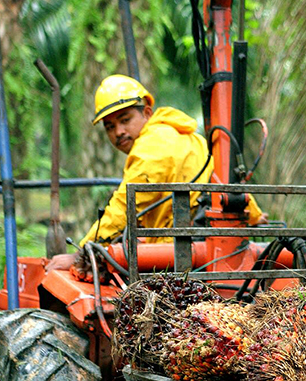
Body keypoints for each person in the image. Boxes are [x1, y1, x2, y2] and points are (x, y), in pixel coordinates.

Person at [47, 74, 265, 271]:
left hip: (182, 257)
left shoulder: (151, 148)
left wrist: (81, 253)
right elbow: (223, 177)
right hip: (204, 246)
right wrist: (254, 214)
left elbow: (123, 207)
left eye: (125, 120)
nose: (119, 132)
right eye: (110, 127)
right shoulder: (187, 136)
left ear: (147, 113)